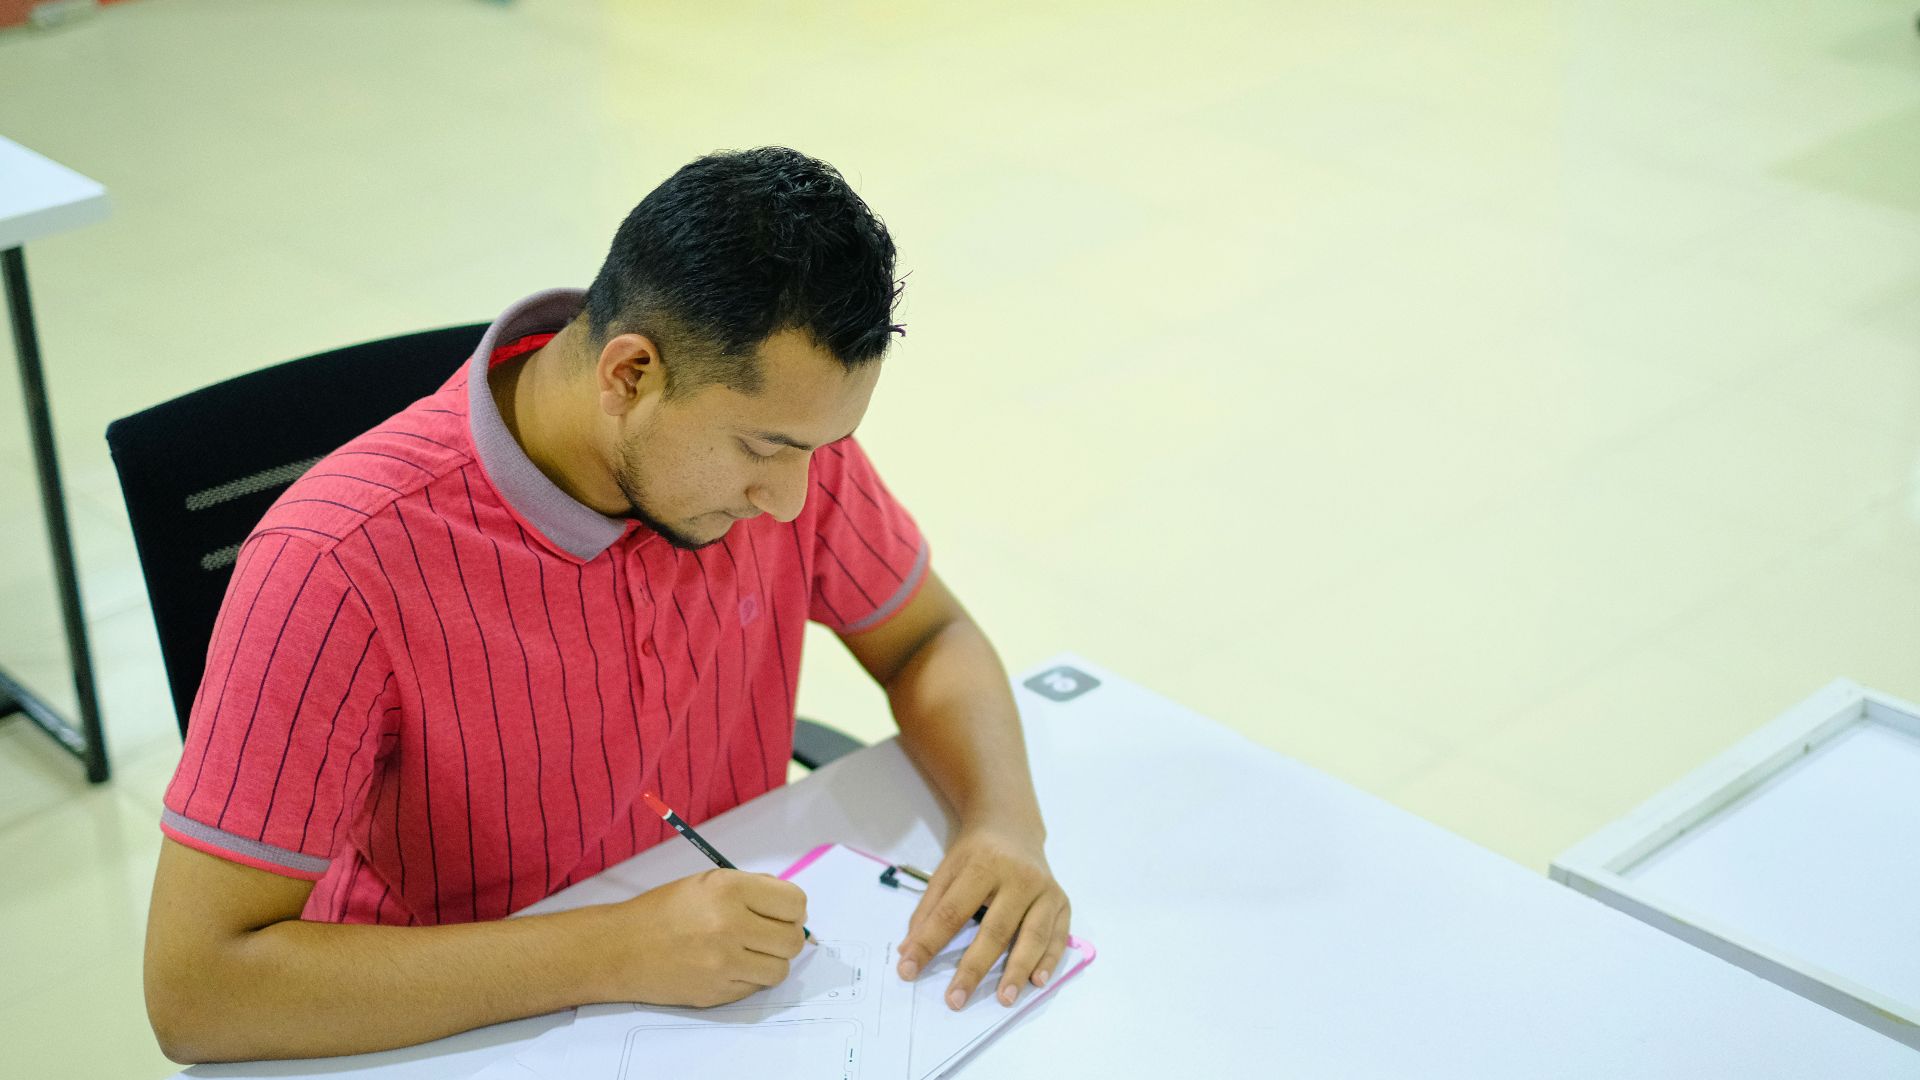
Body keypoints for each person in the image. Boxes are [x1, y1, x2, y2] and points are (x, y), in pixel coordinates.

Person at [142, 147, 1070, 1063]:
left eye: (818, 450)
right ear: (629, 376)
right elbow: (197, 991)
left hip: (721, 993)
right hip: (443, 1027)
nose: (789, 500)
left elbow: (928, 637)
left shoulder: (789, 451)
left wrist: (1002, 823)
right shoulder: (335, 563)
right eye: (762, 449)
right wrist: (614, 950)